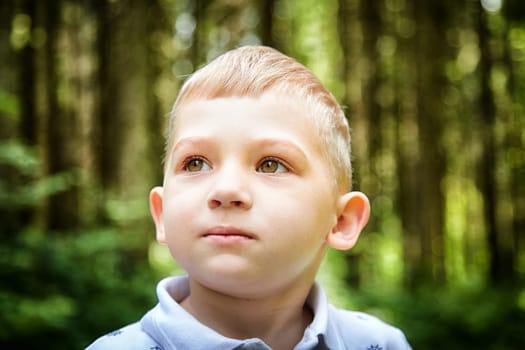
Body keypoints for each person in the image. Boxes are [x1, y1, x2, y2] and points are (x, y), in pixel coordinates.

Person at [86, 45, 411, 350]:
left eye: (270, 165)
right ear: (161, 215)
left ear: (341, 221)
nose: (226, 190)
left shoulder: (381, 344)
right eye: (195, 163)